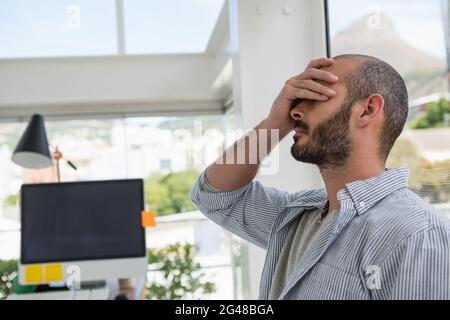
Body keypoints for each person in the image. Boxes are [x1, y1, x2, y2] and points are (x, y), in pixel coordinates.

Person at [191, 54, 450, 300]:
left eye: (314, 97)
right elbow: (214, 196)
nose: (294, 111)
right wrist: (274, 124)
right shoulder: (295, 216)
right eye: (297, 99)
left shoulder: (417, 234)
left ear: (367, 109)